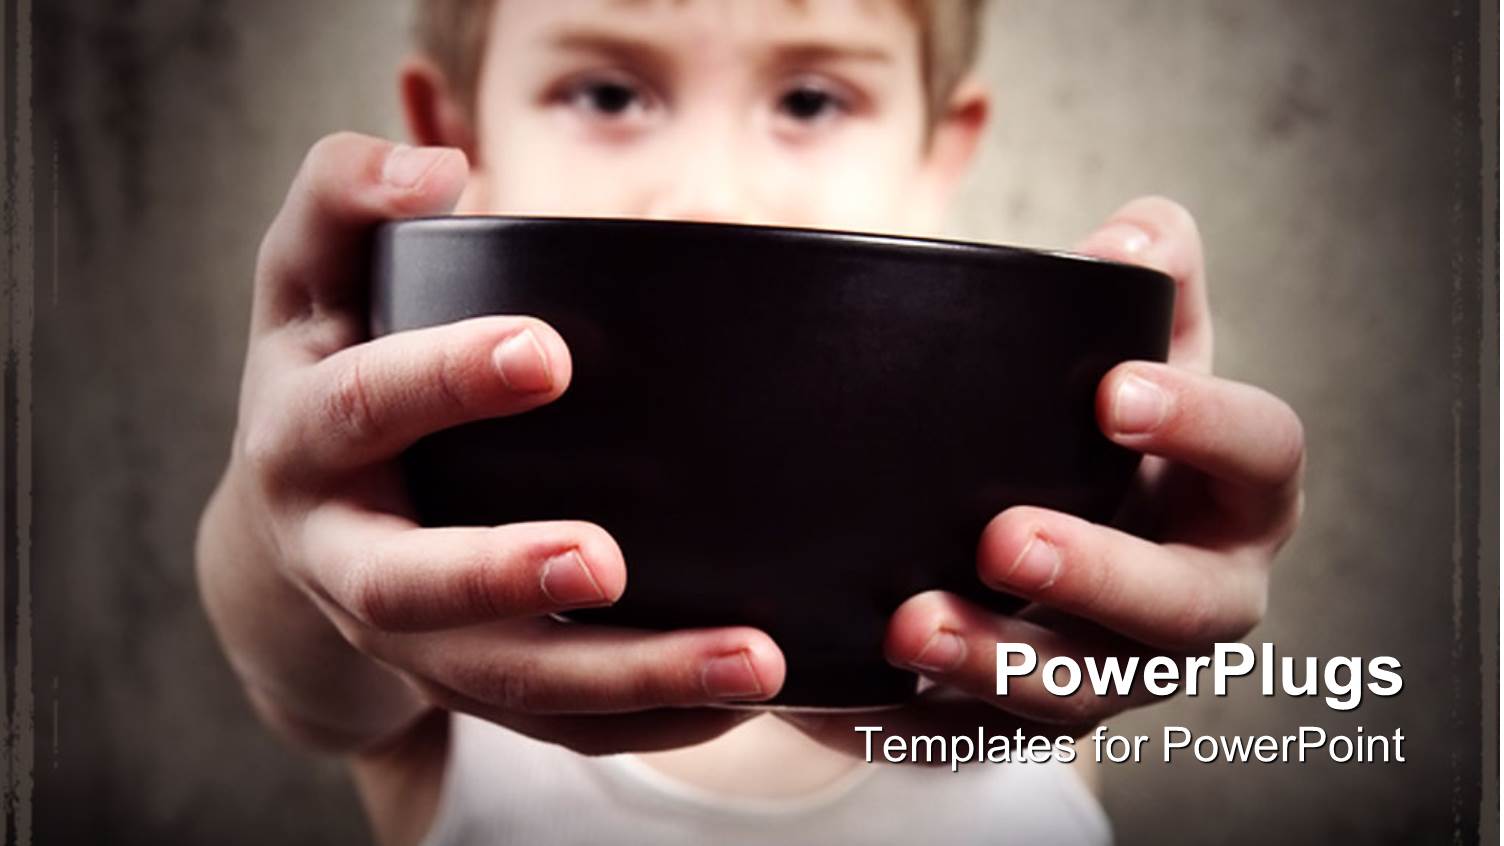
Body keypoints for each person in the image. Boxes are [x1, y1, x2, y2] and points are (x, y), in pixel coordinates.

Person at [194, 1, 1306, 843]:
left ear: (942, 151)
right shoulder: (447, 629)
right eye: (607, 93)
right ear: (455, 134)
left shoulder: (1015, 644)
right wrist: (294, 527)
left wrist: (1122, 542)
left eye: (811, 101)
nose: (707, 191)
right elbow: (303, 669)